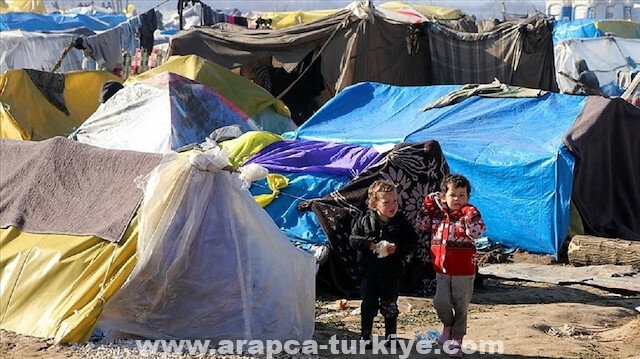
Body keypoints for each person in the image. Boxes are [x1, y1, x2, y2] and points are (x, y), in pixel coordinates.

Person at [415, 174, 486, 357]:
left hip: (464, 271)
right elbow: (421, 225)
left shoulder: (469, 214)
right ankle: (447, 325)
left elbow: (477, 233)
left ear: (468, 197)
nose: (457, 199)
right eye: (453, 195)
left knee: (461, 306)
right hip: (442, 269)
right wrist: (427, 206)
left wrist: (470, 216)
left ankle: (457, 339)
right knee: (440, 301)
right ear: (444, 196)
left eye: (462, 195)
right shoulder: (438, 215)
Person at [349, 179, 418, 349]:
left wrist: (398, 248)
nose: (392, 205)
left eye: (395, 201)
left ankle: (391, 336)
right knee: (368, 305)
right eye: (386, 202)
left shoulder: (401, 222)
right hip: (369, 272)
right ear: (374, 204)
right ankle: (365, 335)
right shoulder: (365, 220)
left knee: (390, 306)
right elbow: (353, 239)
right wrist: (368, 244)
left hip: (391, 273)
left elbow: (412, 241)